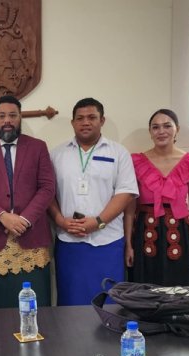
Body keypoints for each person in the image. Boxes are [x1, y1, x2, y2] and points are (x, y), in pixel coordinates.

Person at [0, 95, 56, 308]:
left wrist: (24, 219)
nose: (7, 120)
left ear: (20, 117)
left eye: (12, 115)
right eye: (2, 116)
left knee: (35, 306)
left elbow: (47, 187)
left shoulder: (38, 147)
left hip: (31, 236)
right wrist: (2, 216)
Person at [48, 98, 138, 306]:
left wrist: (98, 222)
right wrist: (61, 221)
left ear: (102, 120)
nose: (85, 122)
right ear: (72, 123)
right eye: (80, 118)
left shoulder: (118, 153)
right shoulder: (57, 154)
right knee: (71, 304)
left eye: (92, 117)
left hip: (107, 241)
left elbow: (125, 193)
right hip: (69, 242)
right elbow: (47, 194)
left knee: (108, 304)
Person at [124, 109, 189, 285]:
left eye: (167, 126)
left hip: (180, 233)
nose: (161, 131)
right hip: (145, 232)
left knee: (180, 287)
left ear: (177, 129)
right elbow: (130, 208)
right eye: (155, 127)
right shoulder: (136, 162)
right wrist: (128, 245)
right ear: (150, 132)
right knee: (145, 288)